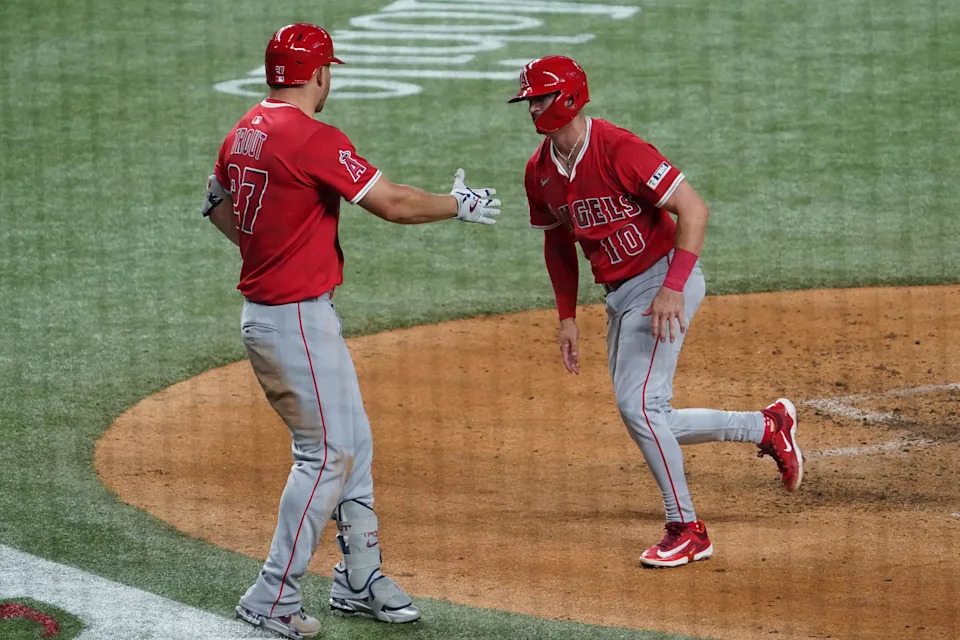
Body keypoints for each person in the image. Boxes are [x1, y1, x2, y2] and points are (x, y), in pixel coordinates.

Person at [202, 24, 500, 639]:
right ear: (318, 74)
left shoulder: (243, 132)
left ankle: (359, 576)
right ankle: (272, 594)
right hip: (295, 321)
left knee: (352, 440)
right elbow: (391, 202)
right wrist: (458, 203)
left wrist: (271, 252)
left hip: (276, 314)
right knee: (327, 453)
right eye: (326, 70)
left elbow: (221, 211)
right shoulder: (311, 137)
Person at [509, 56, 802, 569]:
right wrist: (566, 315)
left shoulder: (620, 148)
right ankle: (765, 427)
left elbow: (694, 209)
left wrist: (673, 286)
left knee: (639, 408)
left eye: (541, 97)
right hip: (620, 295)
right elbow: (558, 245)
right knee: (651, 411)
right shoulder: (539, 172)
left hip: (664, 279)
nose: (533, 108)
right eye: (529, 100)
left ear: (571, 98)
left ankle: (687, 528)